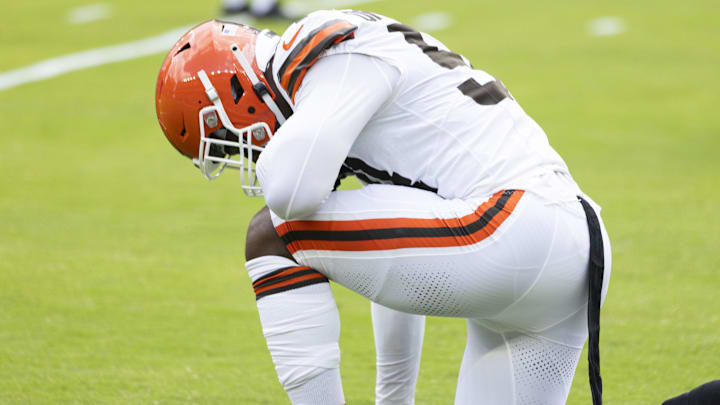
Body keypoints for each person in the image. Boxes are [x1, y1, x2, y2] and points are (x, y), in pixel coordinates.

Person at [155, 9, 612, 405]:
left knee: (273, 234)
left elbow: (292, 192)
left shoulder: (323, 52)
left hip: (513, 226)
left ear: (233, 95)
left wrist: (281, 157)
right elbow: (399, 257)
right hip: (571, 248)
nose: (246, 157)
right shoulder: (359, 66)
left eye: (230, 143)